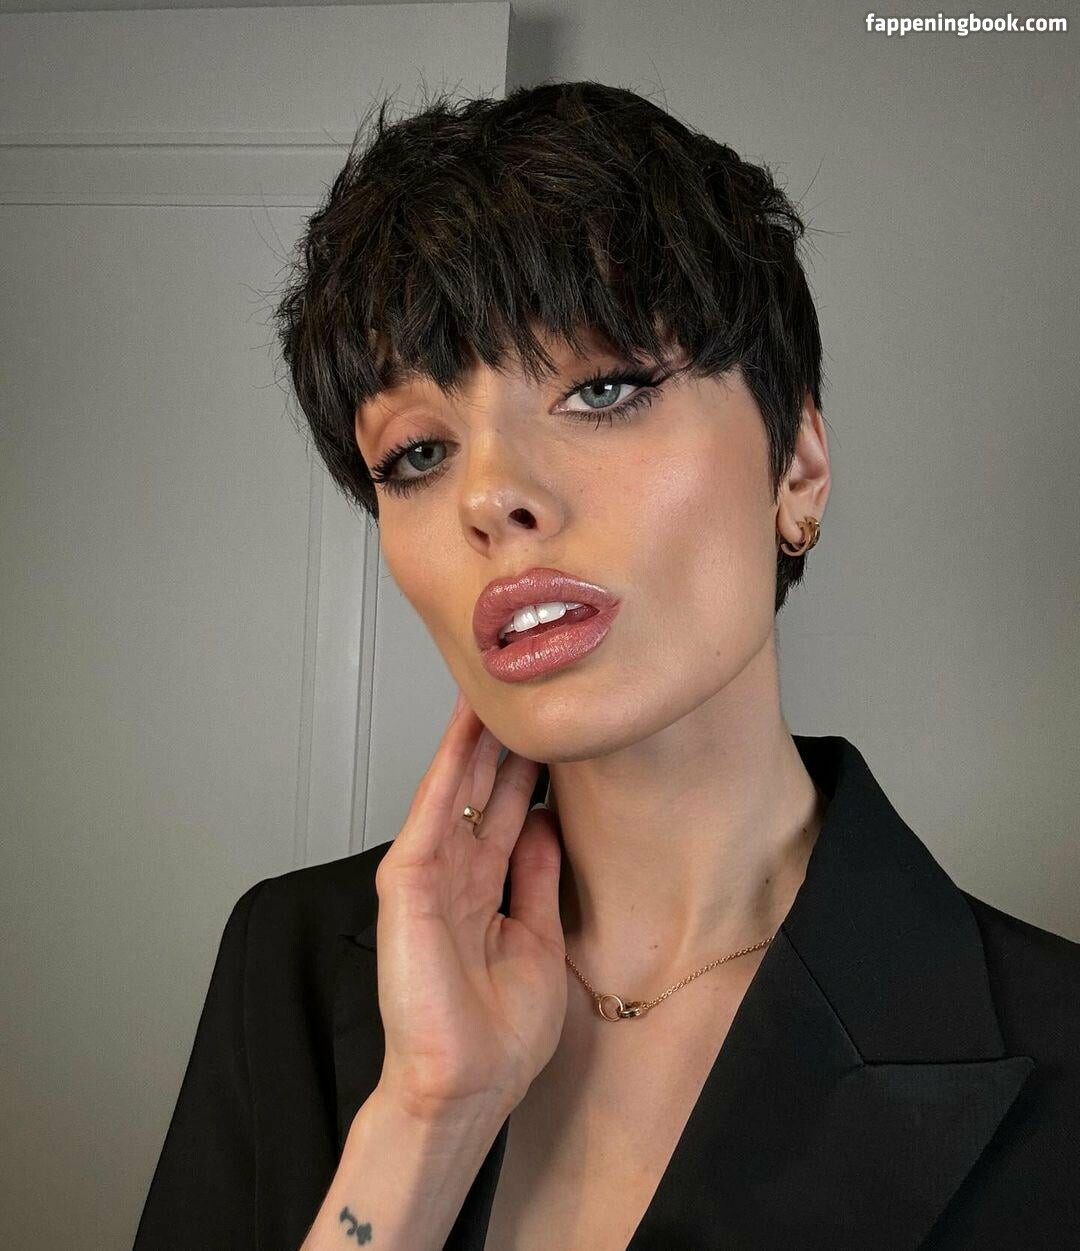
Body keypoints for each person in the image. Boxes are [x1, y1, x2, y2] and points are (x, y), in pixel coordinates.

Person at [132, 81, 1080, 1250]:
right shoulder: (284, 964)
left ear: (796, 467)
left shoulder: (1054, 1040)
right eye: (418, 452)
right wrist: (427, 1117)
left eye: (603, 388)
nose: (490, 496)